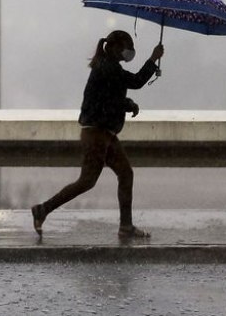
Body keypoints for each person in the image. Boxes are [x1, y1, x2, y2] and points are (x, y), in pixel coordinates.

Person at [30, 30, 164, 240]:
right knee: (87, 181)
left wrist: (127, 104)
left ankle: (126, 226)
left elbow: (110, 98)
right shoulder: (108, 69)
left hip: (104, 134)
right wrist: (153, 59)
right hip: (97, 135)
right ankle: (43, 210)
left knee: (125, 174)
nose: (129, 52)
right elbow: (136, 81)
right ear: (114, 48)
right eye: (126, 47)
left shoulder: (107, 68)